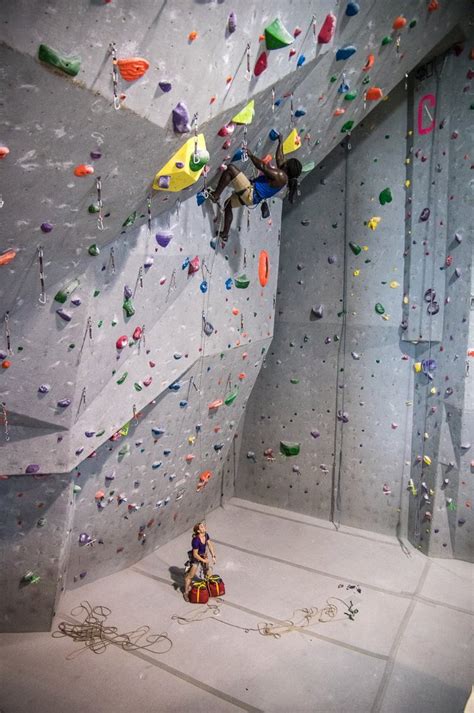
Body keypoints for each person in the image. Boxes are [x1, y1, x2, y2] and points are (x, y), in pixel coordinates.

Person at [209, 134, 302, 244]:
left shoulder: (281, 176)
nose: (285, 161)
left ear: (287, 166)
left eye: (287, 161)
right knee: (228, 205)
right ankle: (224, 234)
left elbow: (263, 167)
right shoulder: (284, 175)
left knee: (230, 169)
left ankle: (215, 195)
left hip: (250, 192)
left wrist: (251, 155)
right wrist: (280, 142)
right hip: (252, 198)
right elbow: (280, 157)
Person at [183, 521, 217, 601]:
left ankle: (209, 588)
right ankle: (186, 592)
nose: (204, 527)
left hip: (203, 555)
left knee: (208, 572)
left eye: (203, 526)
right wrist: (204, 561)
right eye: (201, 527)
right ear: (198, 531)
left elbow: (209, 545)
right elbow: (195, 554)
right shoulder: (196, 541)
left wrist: (213, 555)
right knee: (190, 576)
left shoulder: (206, 535)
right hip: (196, 558)